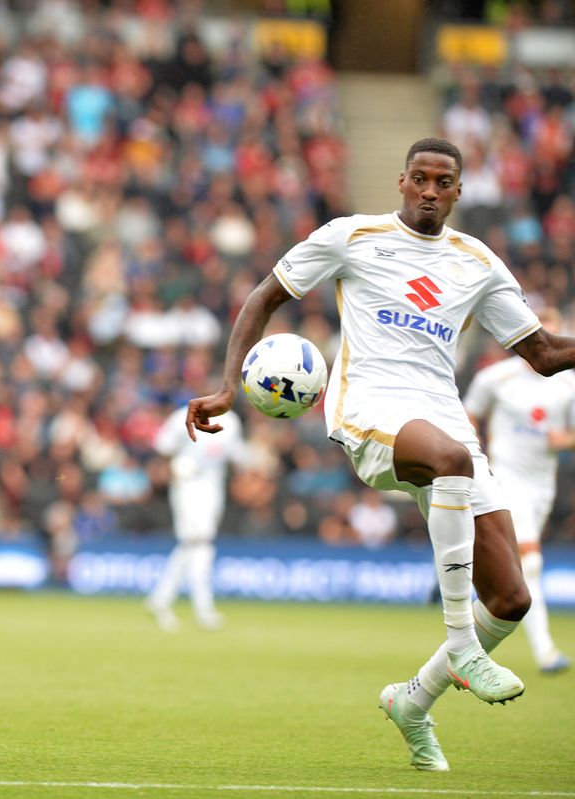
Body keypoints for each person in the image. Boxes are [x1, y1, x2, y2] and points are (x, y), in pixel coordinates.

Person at [186, 138, 575, 772]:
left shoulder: (476, 262)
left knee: (511, 601)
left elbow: (547, 355)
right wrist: (230, 386)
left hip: (444, 422)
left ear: (456, 192)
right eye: (418, 178)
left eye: (441, 182)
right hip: (369, 412)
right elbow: (264, 297)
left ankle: (413, 702)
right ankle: (462, 648)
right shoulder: (352, 236)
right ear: (401, 182)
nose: (428, 190)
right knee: (452, 459)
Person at [464, 307, 575, 675]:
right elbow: (470, 412)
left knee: (513, 558)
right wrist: (475, 452)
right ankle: (545, 652)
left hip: (542, 482)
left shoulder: (567, 384)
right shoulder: (497, 377)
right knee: (531, 562)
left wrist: (566, 440)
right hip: (504, 475)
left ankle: (456, 573)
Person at [144, 401, 246, 632]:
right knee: (200, 543)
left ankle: (161, 599)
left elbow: (237, 457)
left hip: (214, 484)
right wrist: (174, 468)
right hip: (188, 481)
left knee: (194, 544)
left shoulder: (231, 421)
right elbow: (162, 447)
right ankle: (203, 609)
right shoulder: (182, 416)